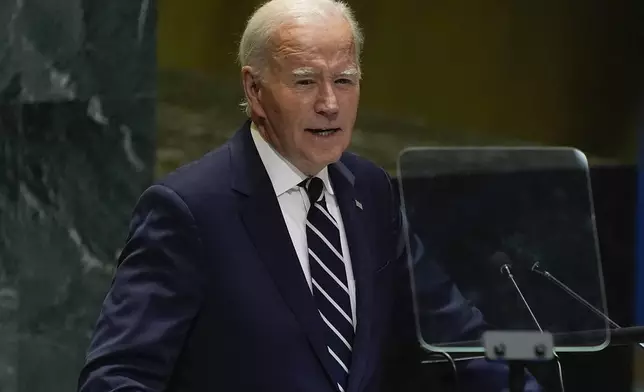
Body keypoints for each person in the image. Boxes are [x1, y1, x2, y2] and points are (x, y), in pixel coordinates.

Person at [77, 0, 542, 391]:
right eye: (305, 81)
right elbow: (118, 377)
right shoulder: (190, 210)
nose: (330, 103)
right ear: (254, 90)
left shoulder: (372, 192)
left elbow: (458, 335)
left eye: (344, 80)